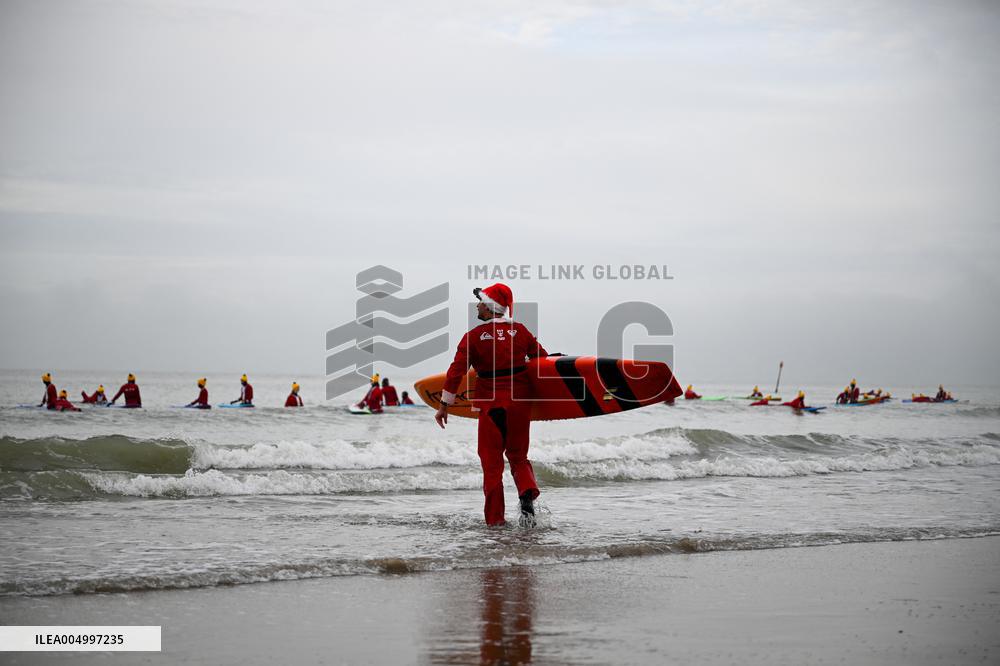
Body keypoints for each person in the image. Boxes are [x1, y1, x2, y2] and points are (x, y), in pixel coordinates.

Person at [435, 283, 548, 527]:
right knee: (518, 456)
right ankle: (527, 495)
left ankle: (496, 522)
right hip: (520, 403)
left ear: (489, 307)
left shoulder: (473, 337)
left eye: (480, 302)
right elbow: (542, 359)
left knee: (491, 462)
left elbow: (456, 372)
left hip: (490, 404)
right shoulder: (521, 331)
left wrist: (444, 405)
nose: (476, 305)